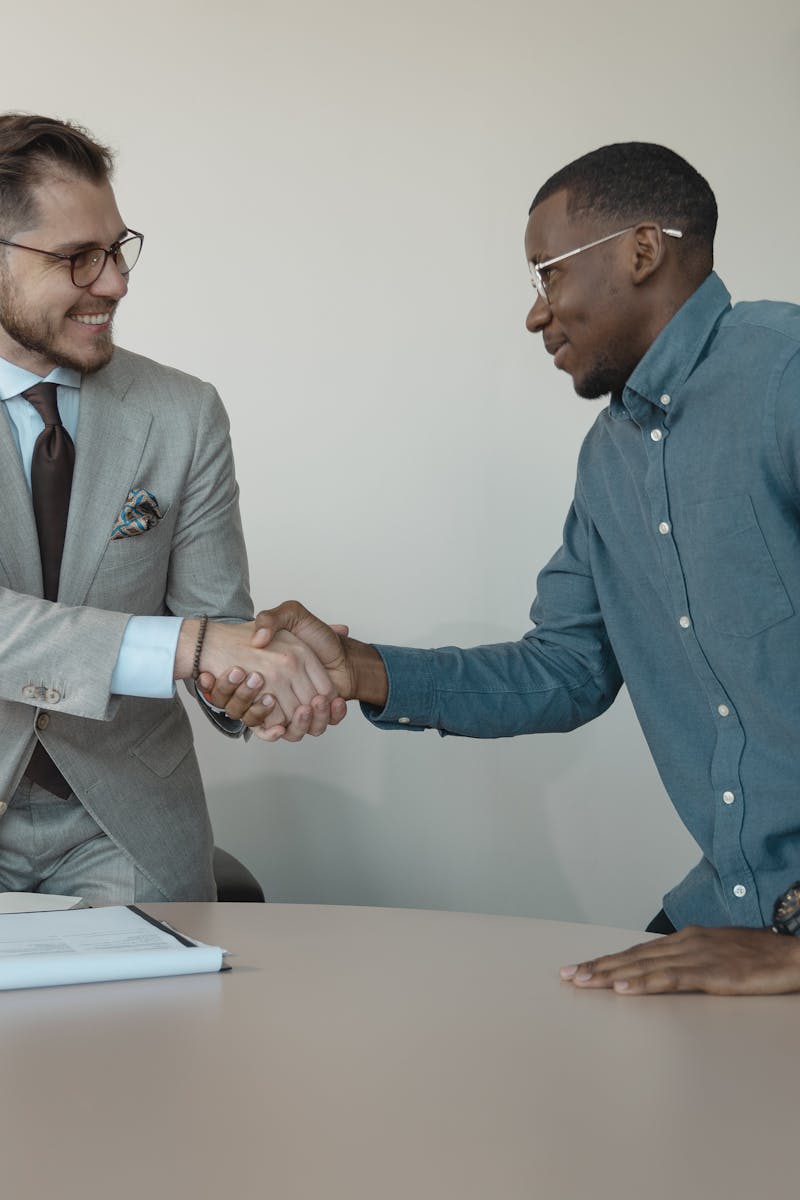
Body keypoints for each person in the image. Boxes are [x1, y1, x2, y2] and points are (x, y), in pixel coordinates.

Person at [203, 141, 800, 993]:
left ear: (641, 250)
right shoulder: (610, 460)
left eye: (546, 274)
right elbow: (566, 671)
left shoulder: (786, 374)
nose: (535, 315)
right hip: (735, 908)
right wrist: (361, 670)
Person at [0, 112, 343, 903]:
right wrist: (190, 648)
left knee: (155, 1029)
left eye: (118, 249)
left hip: (124, 827)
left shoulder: (184, 412)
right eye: (79, 258)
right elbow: (194, 640)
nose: (116, 283)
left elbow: (217, 618)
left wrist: (262, 681)